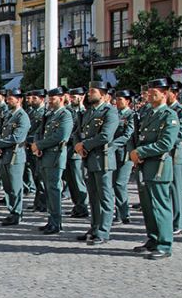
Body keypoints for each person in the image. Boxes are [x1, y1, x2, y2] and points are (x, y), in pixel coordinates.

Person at [130, 78, 179, 260]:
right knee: (148, 207)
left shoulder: (169, 116)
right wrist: (134, 153)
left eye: (154, 93)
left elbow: (165, 143)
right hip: (144, 166)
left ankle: (164, 244)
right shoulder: (149, 114)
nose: (149, 95)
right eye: (149, 92)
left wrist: (140, 151)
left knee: (160, 206)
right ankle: (152, 239)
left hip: (158, 166)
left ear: (165, 94)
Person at [75, 81, 119, 245]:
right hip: (89, 159)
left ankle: (104, 231)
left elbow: (106, 136)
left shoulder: (110, 112)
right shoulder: (88, 112)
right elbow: (78, 132)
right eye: (89, 91)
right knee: (93, 197)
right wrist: (78, 146)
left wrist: (84, 145)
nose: (89, 94)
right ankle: (94, 227)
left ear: (103, 94)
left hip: (103, 159)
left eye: (93, 91)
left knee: (105, 197)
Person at [31, 87, 73, 234]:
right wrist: (36, 144)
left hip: (55, 156)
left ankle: (56, 222)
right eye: (49, 98)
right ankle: (51, 220)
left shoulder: (65, 115)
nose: (50, 101)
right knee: (48, 190)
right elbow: (39, 131)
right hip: (44, 155)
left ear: (61, 99)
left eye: (53, 98)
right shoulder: (50, 114)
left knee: (54, 189)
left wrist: (39, 144)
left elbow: (60, 136)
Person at [0, 88, 31, 225]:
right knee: (8, 186)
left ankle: (17, 213)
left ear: (19, 100)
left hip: (16, 155)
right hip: (5, 154)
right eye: (8, 98)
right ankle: (12, 211)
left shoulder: (22, 116)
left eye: (11, 98)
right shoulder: (9, 115)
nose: (8, 100)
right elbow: (1, 131)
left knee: (15, 187)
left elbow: (17, 137)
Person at [166, 81, 182, 235]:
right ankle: (170, 220)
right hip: (164, 155)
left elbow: (180, 133)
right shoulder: (164, 110)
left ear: (174, 94)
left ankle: (179, 223)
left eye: (166, 92)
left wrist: (162, 141)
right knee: (167, 190)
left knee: (176, 189)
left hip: (175, 155)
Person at [111, 89, 136, 225]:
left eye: (120, 99)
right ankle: (120, 213)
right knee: (114, 184)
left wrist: (112, 145)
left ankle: (123, 213)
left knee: (120, 183)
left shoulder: (131, 115)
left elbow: (128, 135)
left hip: (125, 153)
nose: (117, 101)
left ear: (128, 101)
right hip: (114, 154)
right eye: (117, 99)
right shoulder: (114, 114)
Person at [65, 87, 89, 218]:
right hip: (67, 149)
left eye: (76, 97)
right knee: (70, 180)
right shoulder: (68, 111)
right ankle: (77, 205)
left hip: (76, 151)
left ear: (82, 97)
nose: (73, 99)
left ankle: (82, 206)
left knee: (78, 180)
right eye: (72, 97)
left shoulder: (84, 112)